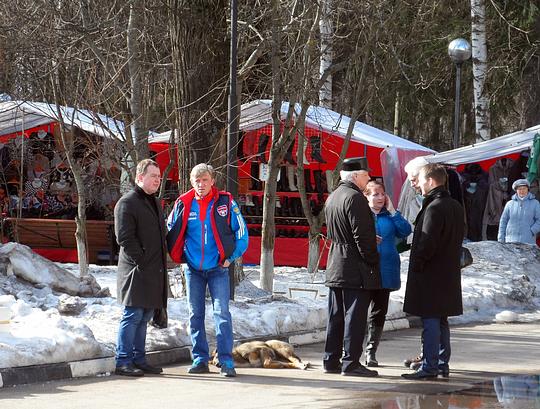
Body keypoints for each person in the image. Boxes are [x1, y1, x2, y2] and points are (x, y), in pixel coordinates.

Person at [166, 163, 248, 378]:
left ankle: (226, 361)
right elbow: (170, 230)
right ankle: (200, 359)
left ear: (213, 181)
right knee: (195, 315)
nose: (200, 184)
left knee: (222, 314)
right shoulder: (183, 203)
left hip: (219, 269)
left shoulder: (226, 202)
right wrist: (179, 256)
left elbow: (242, 234)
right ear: (191, 182)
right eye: (196, 180)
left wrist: (230, 259)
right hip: (192, 269)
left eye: (204, 180)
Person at [402, 163, 464, 380]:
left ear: (430, 181)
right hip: (448, 274)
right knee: (441, 321)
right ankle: (441, 363)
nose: (417, 184)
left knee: (430, 321)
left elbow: (426, 243)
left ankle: (429, 366)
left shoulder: (434, 207)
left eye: (418, 179)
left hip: (431, 274)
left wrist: (418, 265)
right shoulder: (455, 205)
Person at [323, 157, 381, 377]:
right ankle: (351, 363)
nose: (369, 178)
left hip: (336, 262)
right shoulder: (355, 198)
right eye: (366, 175)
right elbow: (362, 237)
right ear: (356, 175)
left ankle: (331, 360)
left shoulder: (335, 196)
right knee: (354, 317)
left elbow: (338, 231)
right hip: (354, 265)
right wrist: (372, 259)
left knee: (336, 315)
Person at [114, 159, 168, 377]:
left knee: (144, 316)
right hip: (135, 271)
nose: (157, 179)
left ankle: (139, 358)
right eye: (153, 175)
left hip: (152, 270)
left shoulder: (153, 201)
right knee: (132, 315)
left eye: (158, 176)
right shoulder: (127, 202)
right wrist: (143, 261)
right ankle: (123, 360)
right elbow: (124, 238)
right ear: (139, 177)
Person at [363, 180, 412, 367]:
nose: (380, 198)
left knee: (378, 312)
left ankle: (371, 352)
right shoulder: (362, 215)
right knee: (359, 312)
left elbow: (406, 230)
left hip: (386, 269)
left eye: (382, 194)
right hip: (366, 269)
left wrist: (393, 212)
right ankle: (350, 350)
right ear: (366, 196)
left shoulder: (389, 215)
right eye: (375, 194)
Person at [498, 178, 540, 245]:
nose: (522, 191)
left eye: (524, 188)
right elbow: (503, 222)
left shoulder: (535, 203)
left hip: (528, 241)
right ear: (516, 190)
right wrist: (501, 239)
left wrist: (532, 231)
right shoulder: (509, 204)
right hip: (510, 240)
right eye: (519, 189)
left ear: (528, 190)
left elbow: (539, 220)